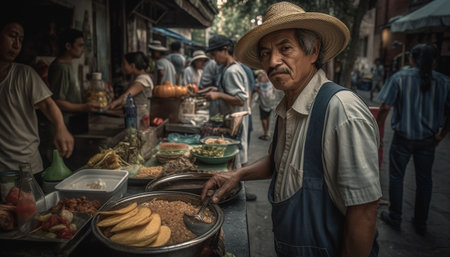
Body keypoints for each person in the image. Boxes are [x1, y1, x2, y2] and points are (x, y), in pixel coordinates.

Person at [201, 2, 381, 257]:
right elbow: (278, 162)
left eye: (285, 48)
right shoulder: (288, 106)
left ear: (313, 51)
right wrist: (237, 175)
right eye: (265, 53)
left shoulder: (342, 111)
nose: (273, 61)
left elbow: (364, 211)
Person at [376, 43, 450, 236]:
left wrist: (377, 130)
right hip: (428, 140)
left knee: (397, 177)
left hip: (403, 138)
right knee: (425, 180)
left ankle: (395, 216)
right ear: (435, 61)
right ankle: (421, 222)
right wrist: (441, 135)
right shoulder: (444, 82)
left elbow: (384, 108)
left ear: (411, 59)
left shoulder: (400, 77)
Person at [0, 18, 74, 180]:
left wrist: (61, 127)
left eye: (20, 39)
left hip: (27, 168)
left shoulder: (25, 74)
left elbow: (47, 105)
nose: (16, 45)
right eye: (12, 36)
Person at [204, 35, 250, 169]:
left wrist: (218, 94)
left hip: (235, 124)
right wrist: (216, 89)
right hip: (233, 123)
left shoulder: (232, 71)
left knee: (236, 162)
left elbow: (240, 100)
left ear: (225, 50)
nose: (213, 58)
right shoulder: (230, 68)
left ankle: (238, 188)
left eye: (214, 54)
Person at [48, 28, 103, 134]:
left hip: (74, 121)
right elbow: (57, 101)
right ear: (68, 46)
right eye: (80, 45)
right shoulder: (60, 67)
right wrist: (84, 107)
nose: (82, 49)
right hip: (65, 123)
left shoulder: (68, 64)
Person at [254, 70, 276, 141]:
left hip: (263, 99)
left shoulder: (260, 76)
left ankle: (265, 133)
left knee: (263, 117)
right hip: (270, 99)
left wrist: (259, 91)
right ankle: (267, 132)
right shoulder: (271, 75)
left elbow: (256, 87)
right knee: (268, 115)